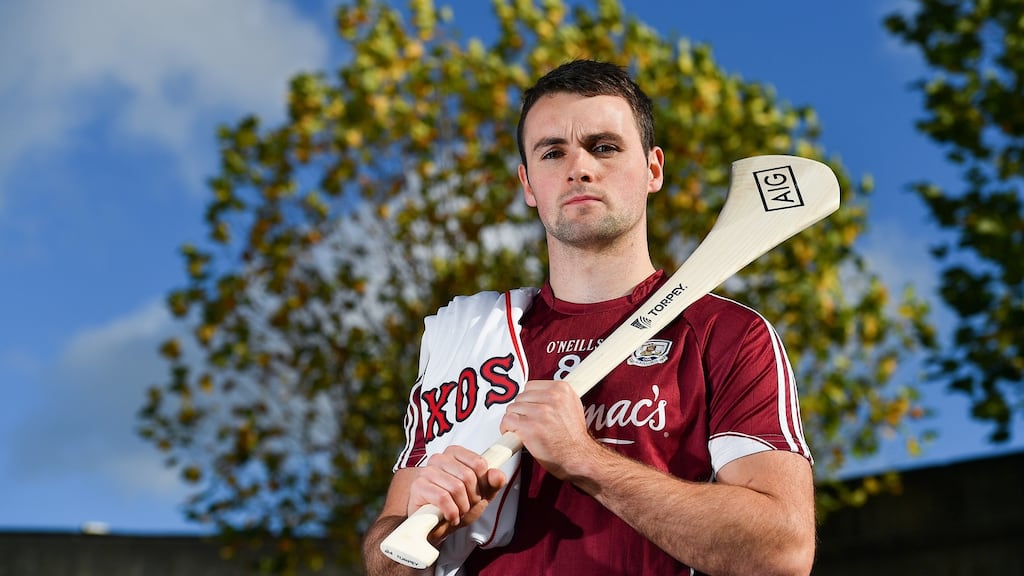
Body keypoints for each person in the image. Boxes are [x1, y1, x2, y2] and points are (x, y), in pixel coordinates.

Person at [362, 59, 816, 576]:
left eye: (604, 147)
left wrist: (583, 458)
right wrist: (421, 524)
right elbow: (386, 562)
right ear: (528, 185)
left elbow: (782, 552)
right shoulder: (471, 337)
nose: (579, 167)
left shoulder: (725, 335)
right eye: (552, 152)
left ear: (653, 169)